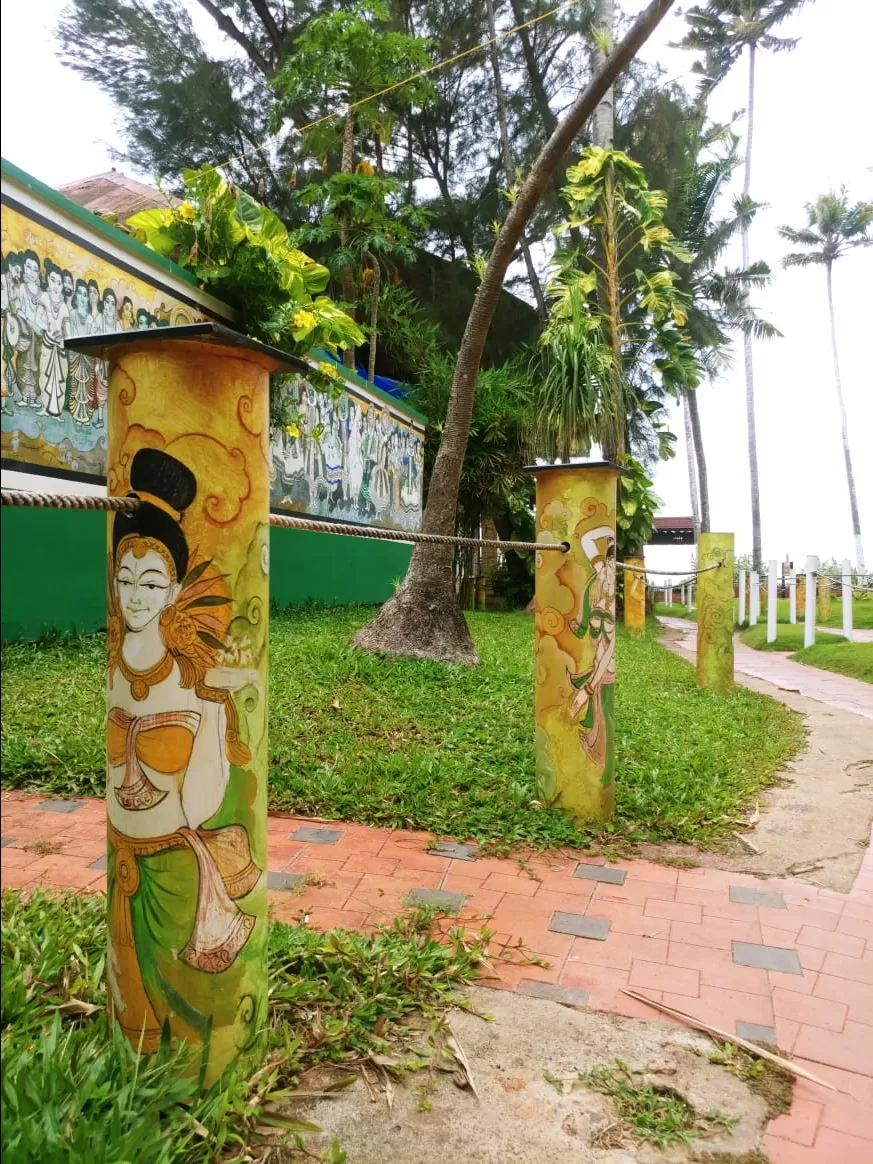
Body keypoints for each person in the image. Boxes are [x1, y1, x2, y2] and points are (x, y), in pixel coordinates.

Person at [106, 448, 260, 1050]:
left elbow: (199, 807)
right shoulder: (118, 672)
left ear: (173, 592)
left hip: (173, 864)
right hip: (124, 864)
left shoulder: (193, 689)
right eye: (123, 581)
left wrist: (218, 714)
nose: (134, 597)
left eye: (150, 584)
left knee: (192, 1018)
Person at [567, 525, 617, 777]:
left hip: (604, 670)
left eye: (612, 565)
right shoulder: (600, 577)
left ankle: (605, 772)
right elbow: (587, 540)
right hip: (599, 667)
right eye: (608, 563)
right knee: (599, 716)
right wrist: (609, 530)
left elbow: (609, 652)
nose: (609, 570)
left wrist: (588, 687)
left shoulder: (609, 597)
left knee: (604, 716)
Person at [35, 261, 69, 418]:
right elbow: (38, 319)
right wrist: (48, 329)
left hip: (60, 346)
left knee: (59, 379)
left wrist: (62, 338)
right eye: (53, 280)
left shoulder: (64, 307)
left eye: (59, 282)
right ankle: (44, 406)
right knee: (45, 375)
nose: (56, 285)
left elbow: (67, 332)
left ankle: (56, 411)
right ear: (47, 280)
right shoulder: (44, 298)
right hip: (48, 342)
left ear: (62, 286)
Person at [65, 278, 94, 424]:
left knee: (87, 386)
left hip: (87, 358)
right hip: (76, 355)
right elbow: (71, 336)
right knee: (77, 386)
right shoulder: (72, 314)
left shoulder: (90, 318)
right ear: (76, 296)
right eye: (80, 294)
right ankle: (76, 415)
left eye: (85, 294)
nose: (83, 297)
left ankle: (86, 416)